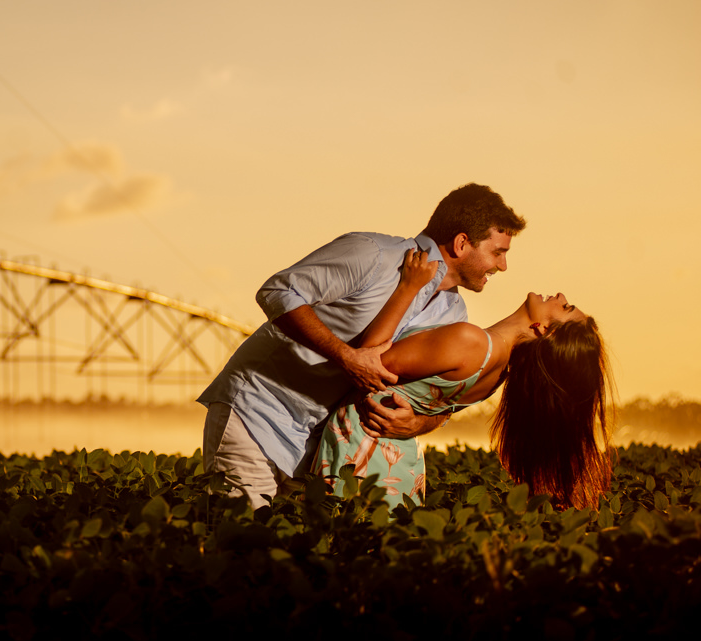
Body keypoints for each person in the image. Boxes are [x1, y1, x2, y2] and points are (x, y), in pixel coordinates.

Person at [198, 183, 526, 508]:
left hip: (321, 445)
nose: (502, 266)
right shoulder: (373, 253)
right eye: (498, 252)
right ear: (461, 243)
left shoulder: (454, 316)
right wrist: (345, 357)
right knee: (239, 548)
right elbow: (277, 292)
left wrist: (419, 423)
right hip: (258, 414)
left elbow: (433, 396)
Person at [315, 250, 614, 510]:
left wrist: (409, 287)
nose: (560, 296)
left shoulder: (471, 342)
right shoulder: (501, 372)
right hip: (396, 468)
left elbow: (367, 362)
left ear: (543, 330)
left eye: (564, 307)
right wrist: (419, 423)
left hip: (361, 461)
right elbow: (438, 407)